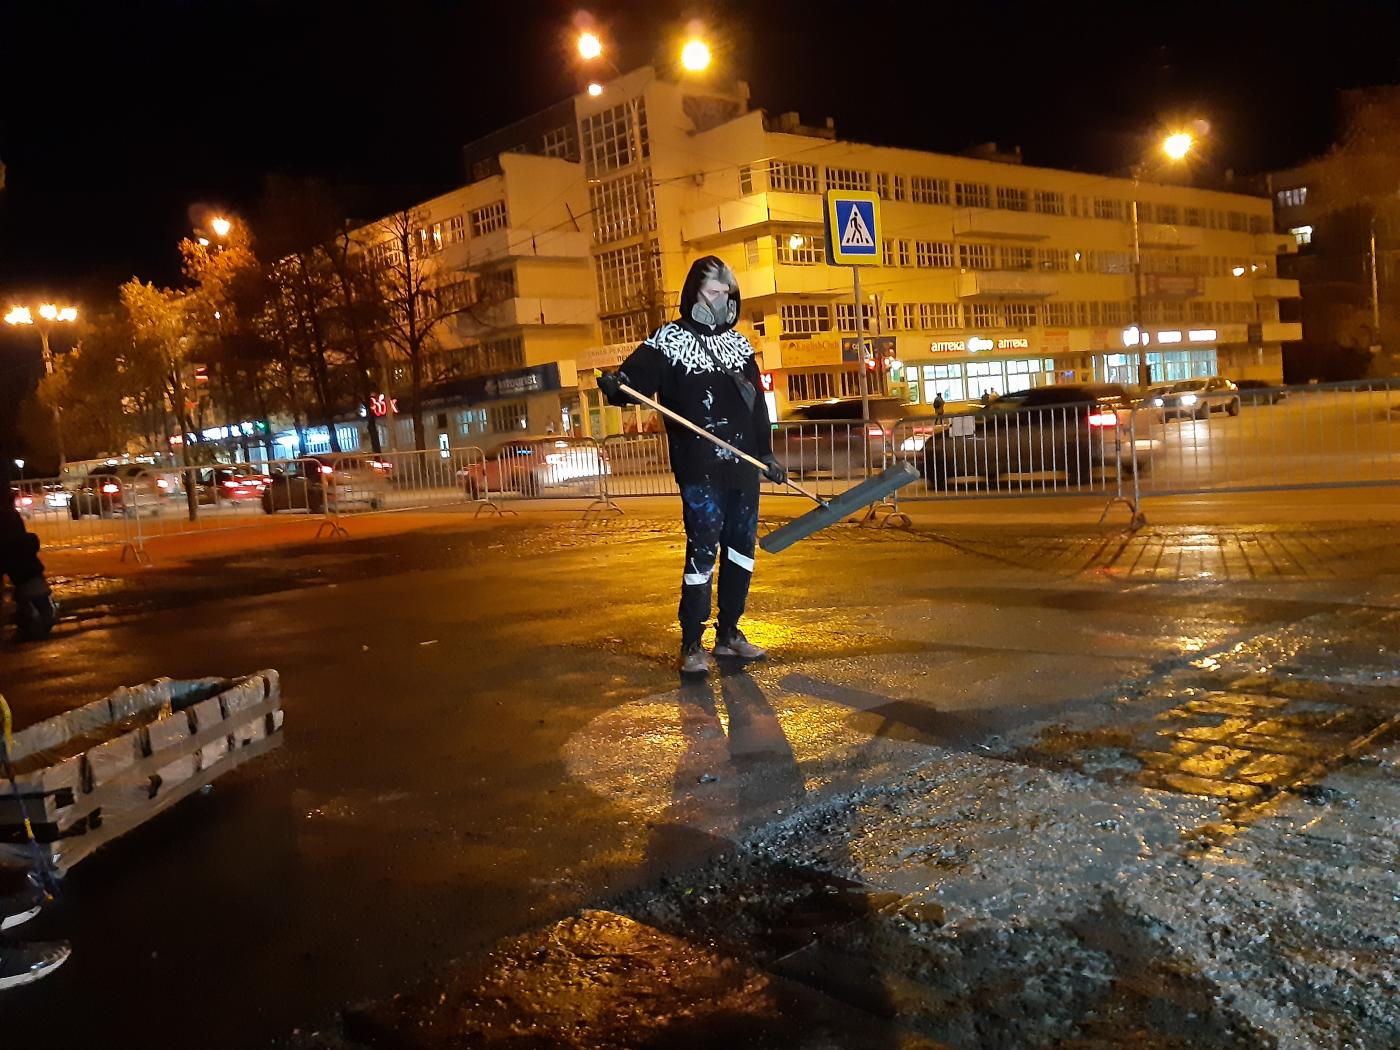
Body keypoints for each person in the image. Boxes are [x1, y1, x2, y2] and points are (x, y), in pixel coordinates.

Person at [598, 256, 785, 676]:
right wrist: (616, 386)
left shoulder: (739, 345)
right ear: (694, 294)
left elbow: (756, 406)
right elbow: (633, 383)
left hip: (742, 468)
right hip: (699, 470)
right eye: (712, 293)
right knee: (702, 552)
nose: (720, 301)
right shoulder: (668, 341)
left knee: (741, 551)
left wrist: (767, 453)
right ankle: (691, 642)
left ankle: (730, 633)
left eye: (726, 294)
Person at [0, 463, 55, 641]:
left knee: (30, 592)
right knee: (33, 593)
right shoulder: (10, 516)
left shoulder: (8, 516)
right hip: (25, 566)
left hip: (22, 566)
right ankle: (32, 623)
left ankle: (30, 624)